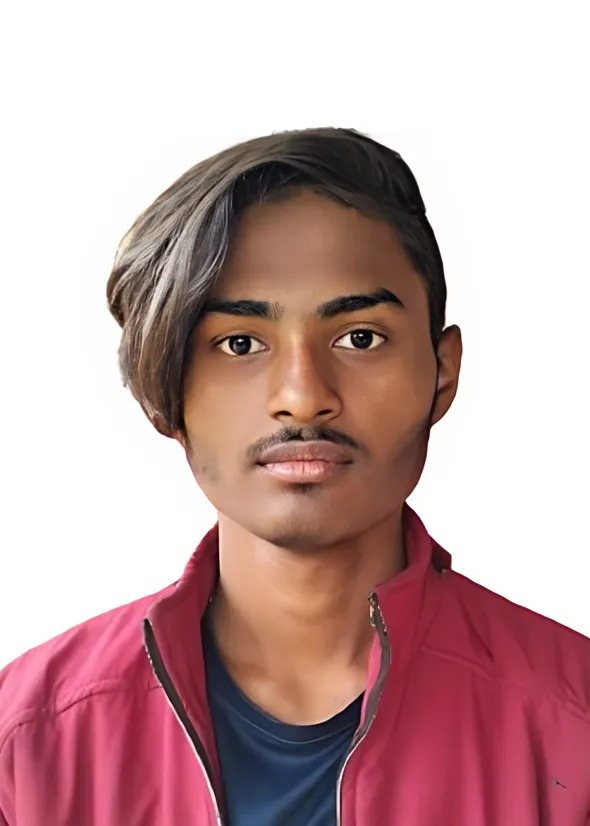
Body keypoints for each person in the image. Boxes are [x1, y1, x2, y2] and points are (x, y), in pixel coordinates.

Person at [1, 128, 589, 826]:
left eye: (360, 337)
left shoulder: (573, 726)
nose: (304, 397)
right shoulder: (26, 741)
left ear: (442, 373)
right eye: (239, 343)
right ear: (164, 390)